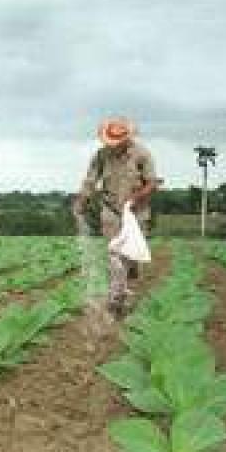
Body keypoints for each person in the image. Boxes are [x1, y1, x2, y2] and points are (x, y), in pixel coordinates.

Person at [72, 117, 158, 317]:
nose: (114, 146)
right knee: (115, 255)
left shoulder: (142, 154)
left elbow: (152, 183)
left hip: (137, 213)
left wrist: (136, 198)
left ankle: (126, 279)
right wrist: (82, 199)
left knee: (129, 257)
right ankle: (116, 300)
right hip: (110, 210)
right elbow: (90, 180)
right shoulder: (101, 155)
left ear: (127, 139)